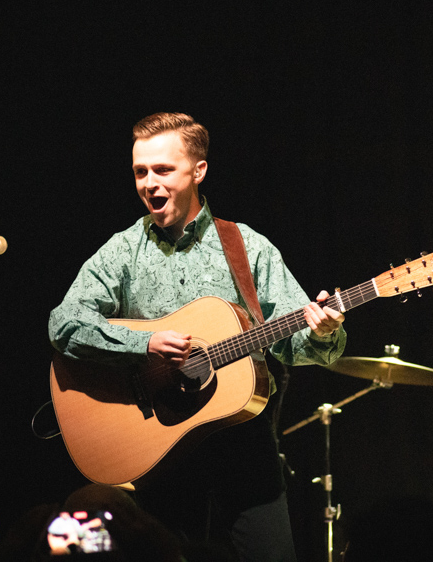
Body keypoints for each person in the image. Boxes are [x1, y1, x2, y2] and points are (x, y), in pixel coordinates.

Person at [48, 112, 346, 562]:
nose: (149, 183)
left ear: (198, 171)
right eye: (140, 172)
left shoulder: (247, 246)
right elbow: (64, 324)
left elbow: (294, 345)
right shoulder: (123, 251)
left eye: (163, 170)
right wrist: (142, 344)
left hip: (243, 445)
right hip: (160, 450)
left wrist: (321, 332)